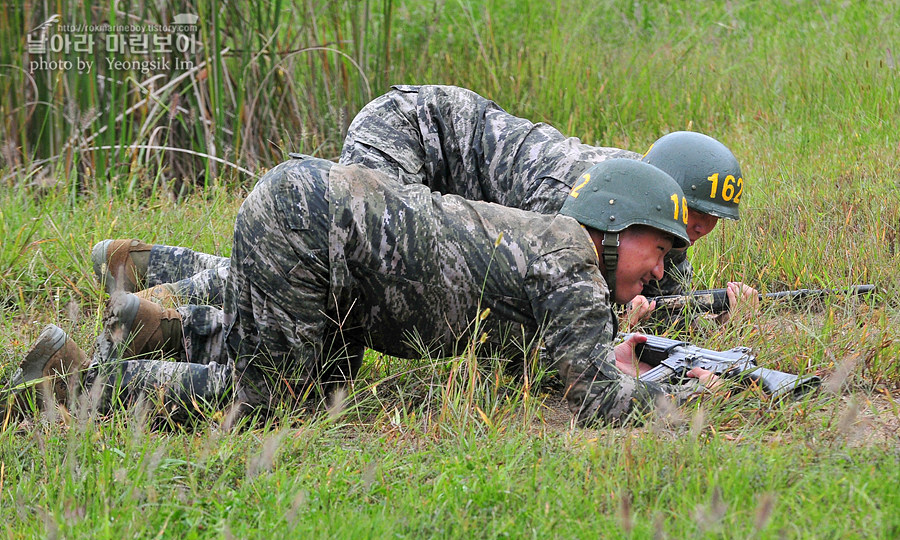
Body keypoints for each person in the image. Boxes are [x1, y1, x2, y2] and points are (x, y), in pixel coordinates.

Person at [12, 157, 720, 427]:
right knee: (265, 400)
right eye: (660, 250)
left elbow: (537, 371)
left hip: (316, 220)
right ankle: (69, 385)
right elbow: (596, 403)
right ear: (617, 226)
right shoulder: (570, 261)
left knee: (323, 387)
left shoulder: (560, 248)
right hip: (310, 222)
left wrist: (606, 354)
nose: (661, 272)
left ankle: (137, 328)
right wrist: (682, 391)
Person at [91, 85, 756, 323]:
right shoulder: (591, 198)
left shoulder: (641, 215)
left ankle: (153, 262)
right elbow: (567, 305)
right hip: (407, 135)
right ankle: (171, 306)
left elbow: (652, 304)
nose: (696, 232)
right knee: (338, 266)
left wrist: (715, 307)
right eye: (692, 217)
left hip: (439, 178)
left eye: (708, 224)